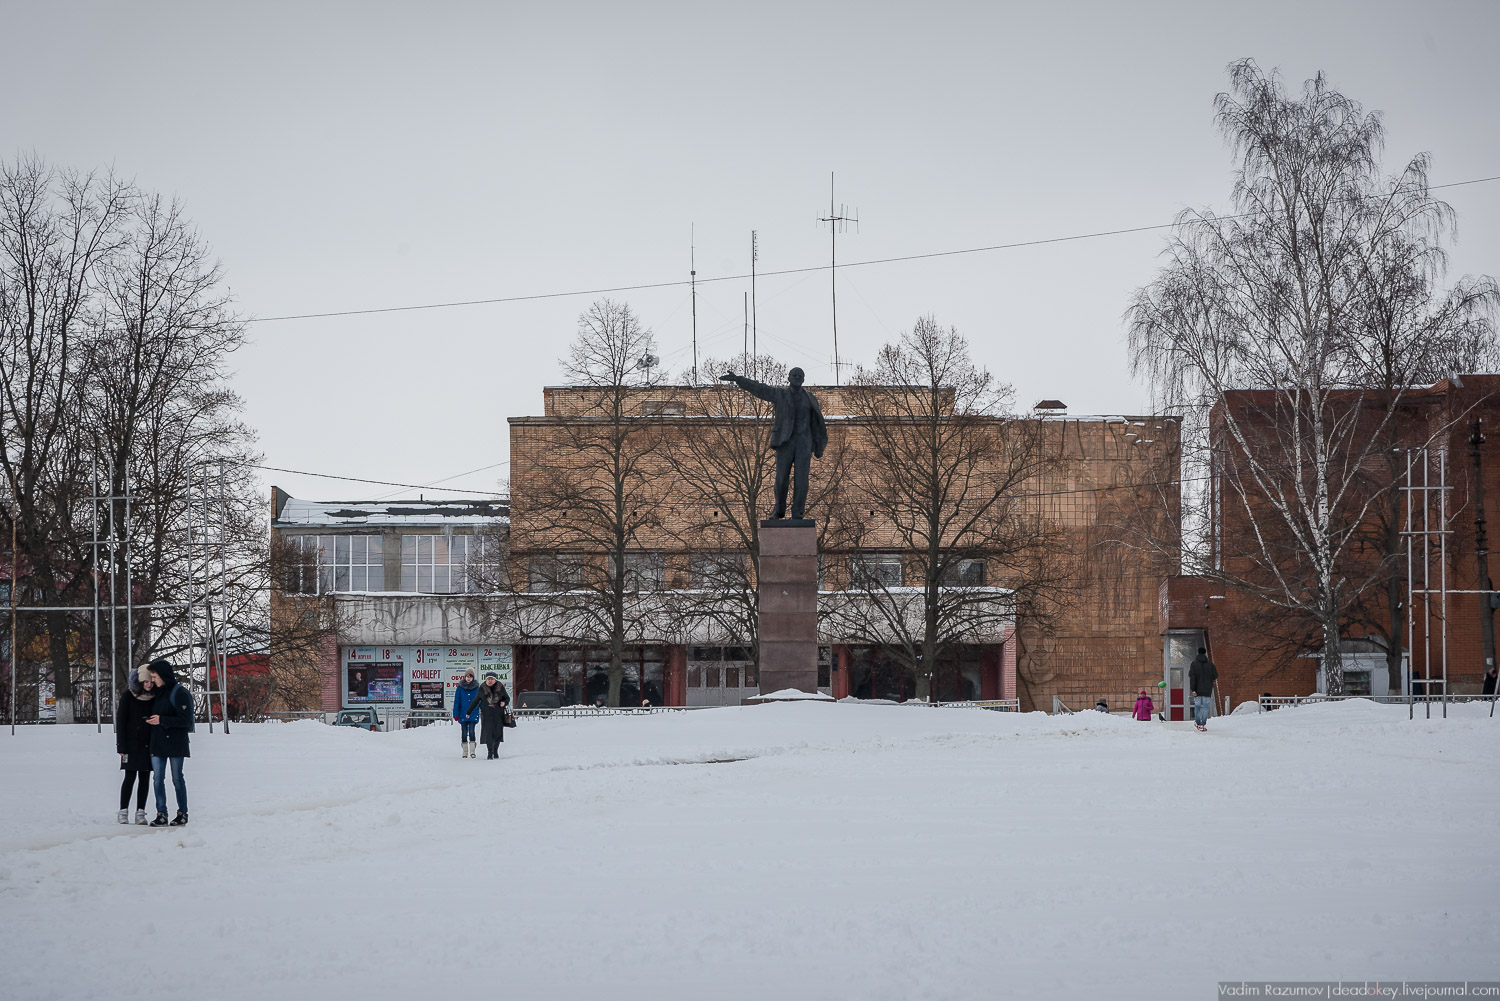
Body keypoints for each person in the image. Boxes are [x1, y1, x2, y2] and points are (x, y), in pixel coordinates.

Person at [719, 368, 828, 520]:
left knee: (802, 480)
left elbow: (817, 423)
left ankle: (798, 513)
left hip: (804, 442)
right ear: (789, 378)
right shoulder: (781, 394)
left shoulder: (811, 398)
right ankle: (779, 511)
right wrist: (739, 379)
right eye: (794, 376)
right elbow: (760, 389)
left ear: (803, 379)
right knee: (781, 478)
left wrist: (819, 445)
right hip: (785, 441)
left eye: (800, 376)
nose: (797, 378)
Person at [144, 659, 193, 827]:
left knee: (177, 778)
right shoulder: (157, 693)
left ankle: (182, 813)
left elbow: (185, 720)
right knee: (157, 779)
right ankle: (161, 813)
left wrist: (162, 720)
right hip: (158, 742)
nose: (153, 680)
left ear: (163, 675)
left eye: (155, 676)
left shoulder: (179, 693)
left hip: (175, 743)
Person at [115, 665, 156, 824]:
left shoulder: (154, 697)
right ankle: (123, 811)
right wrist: (121, 747)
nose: (149, 685)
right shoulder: (128, 696)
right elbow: (121, 722)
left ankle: (141, 812)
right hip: (131, 744)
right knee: (129, 777)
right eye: (146, 681)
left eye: (151, 681)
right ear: (139, 681)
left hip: (147, 744)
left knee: (145, 778)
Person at [477, 671, 510, 760]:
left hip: (498, 714)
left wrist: (504, 702)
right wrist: (470, 711)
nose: (490, 681)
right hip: (487, 714)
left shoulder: (500, 687)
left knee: (497, 733)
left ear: (495, 680)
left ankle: (495, 751)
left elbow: (507, 698)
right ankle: (489, 752)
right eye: (488, 679)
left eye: (492, 679)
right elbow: (477, 700)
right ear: (486, 680)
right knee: (488, 734)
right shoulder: (482, 688)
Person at [452, 669, 481, 759]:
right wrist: (456, 714)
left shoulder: (477, 688)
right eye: (467, 676)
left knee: (472, 731)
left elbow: (480, 700)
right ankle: (465, 751)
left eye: (470, 677)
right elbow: (457, 701)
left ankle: (472, 751)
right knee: (464, 732)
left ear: (473, 678)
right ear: (465, 677)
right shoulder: (460, 688)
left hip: (473, 713)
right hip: (463, 714)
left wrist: (484, 710)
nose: (469, 678)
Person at [1188, 646, 1218, 732]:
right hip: (1207, 690)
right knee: (1205, 707)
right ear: (1205, 653)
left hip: (1197, 689)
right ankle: (1203, 723)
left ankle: (1198, 722)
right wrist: (1209, 678)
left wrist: (1193, 689)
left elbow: (1192, 677)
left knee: (1197, 707)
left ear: (1198, 653)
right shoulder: (1210, 664)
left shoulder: (1194, 664)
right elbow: (1215, 675)